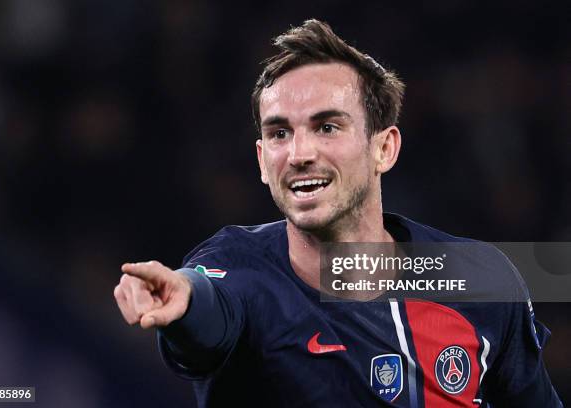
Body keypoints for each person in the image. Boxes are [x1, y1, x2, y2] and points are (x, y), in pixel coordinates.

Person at [113, 19, 561, 407]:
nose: (299, 153)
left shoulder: (478, 279)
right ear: (261, 161)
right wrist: (185, 302)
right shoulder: (236, 264)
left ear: (383, 148)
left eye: (327, 127)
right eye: (279, 133)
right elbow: (209, 314)